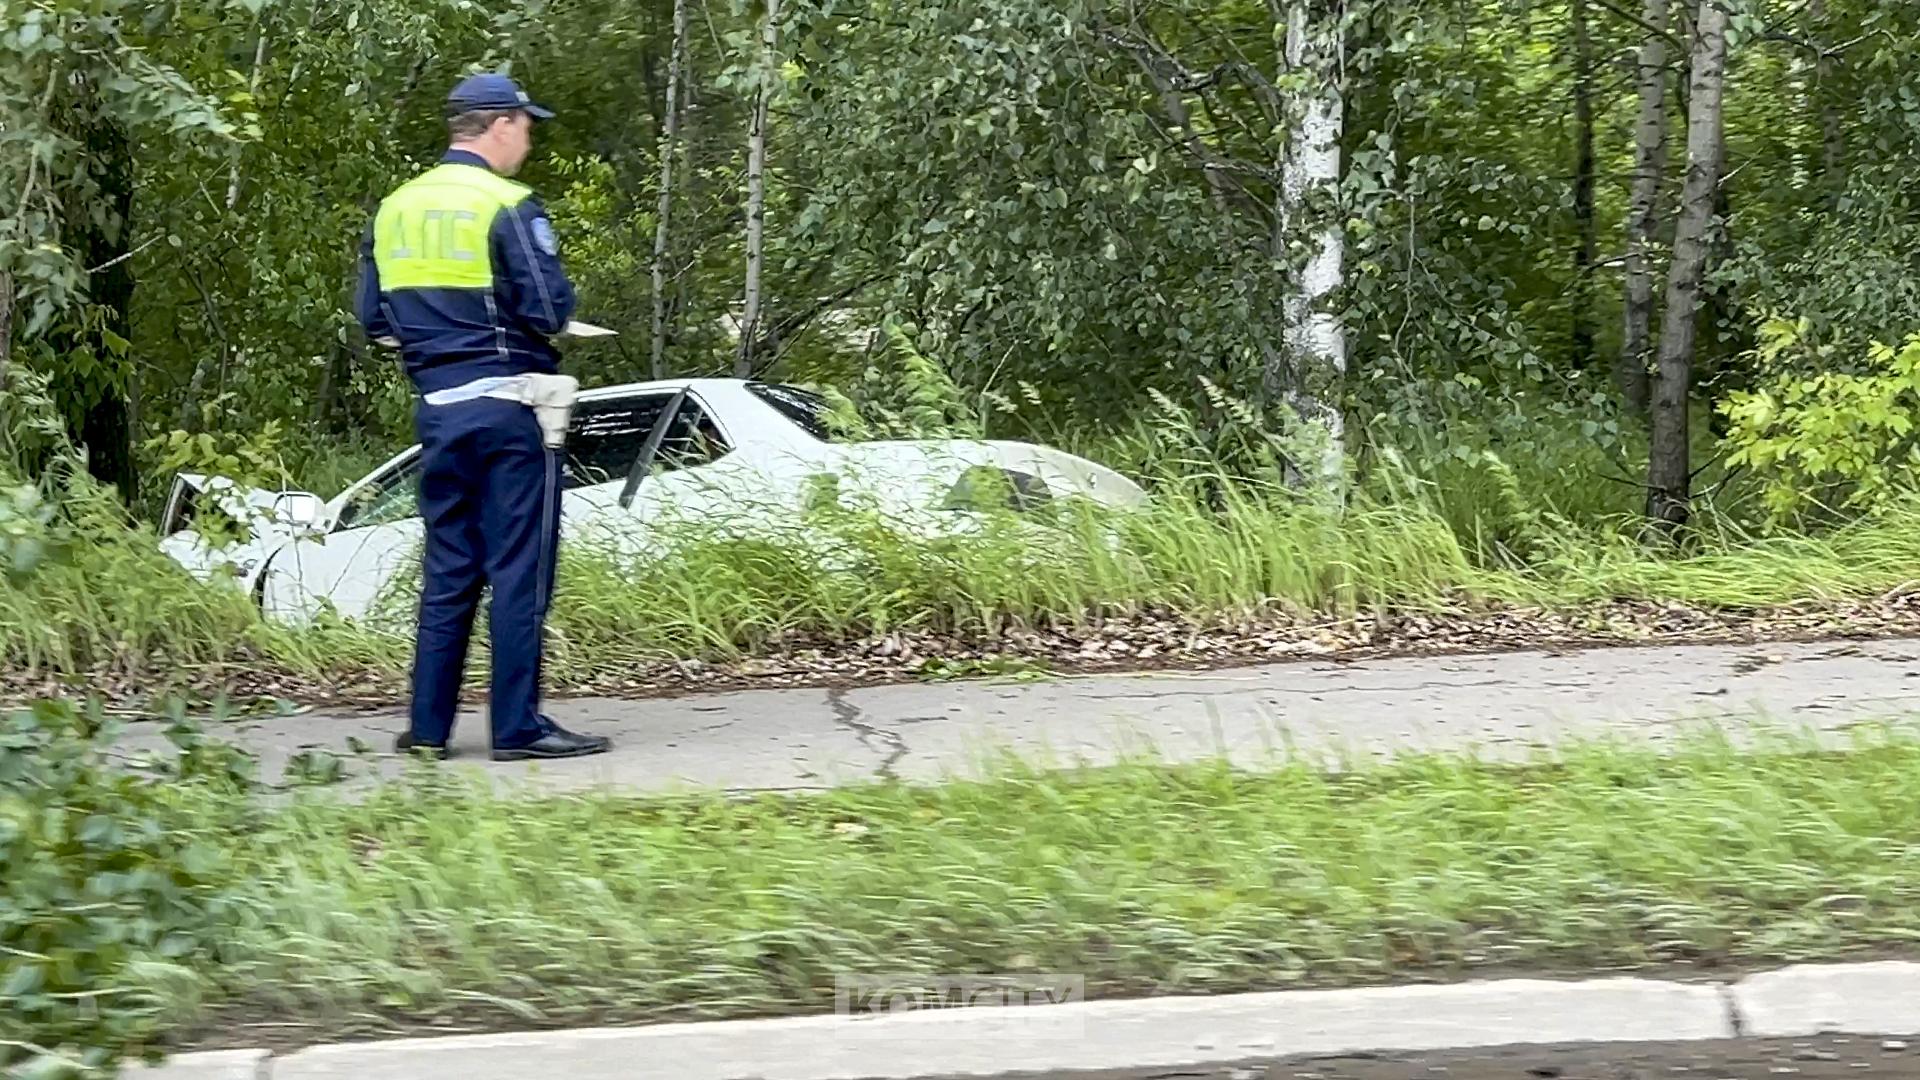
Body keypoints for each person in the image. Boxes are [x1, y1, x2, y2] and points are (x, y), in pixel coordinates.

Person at [356, 72, 611, 762]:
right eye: (526, 127)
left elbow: (373, 319)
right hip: (510, 408)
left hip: (438, 412)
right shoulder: (506, 203)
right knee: (519, 569)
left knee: (449, 571)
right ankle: (518, 728)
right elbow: (550, 310)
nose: (528, 141)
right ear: (499, 124)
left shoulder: (395, 207)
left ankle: (429, 730)